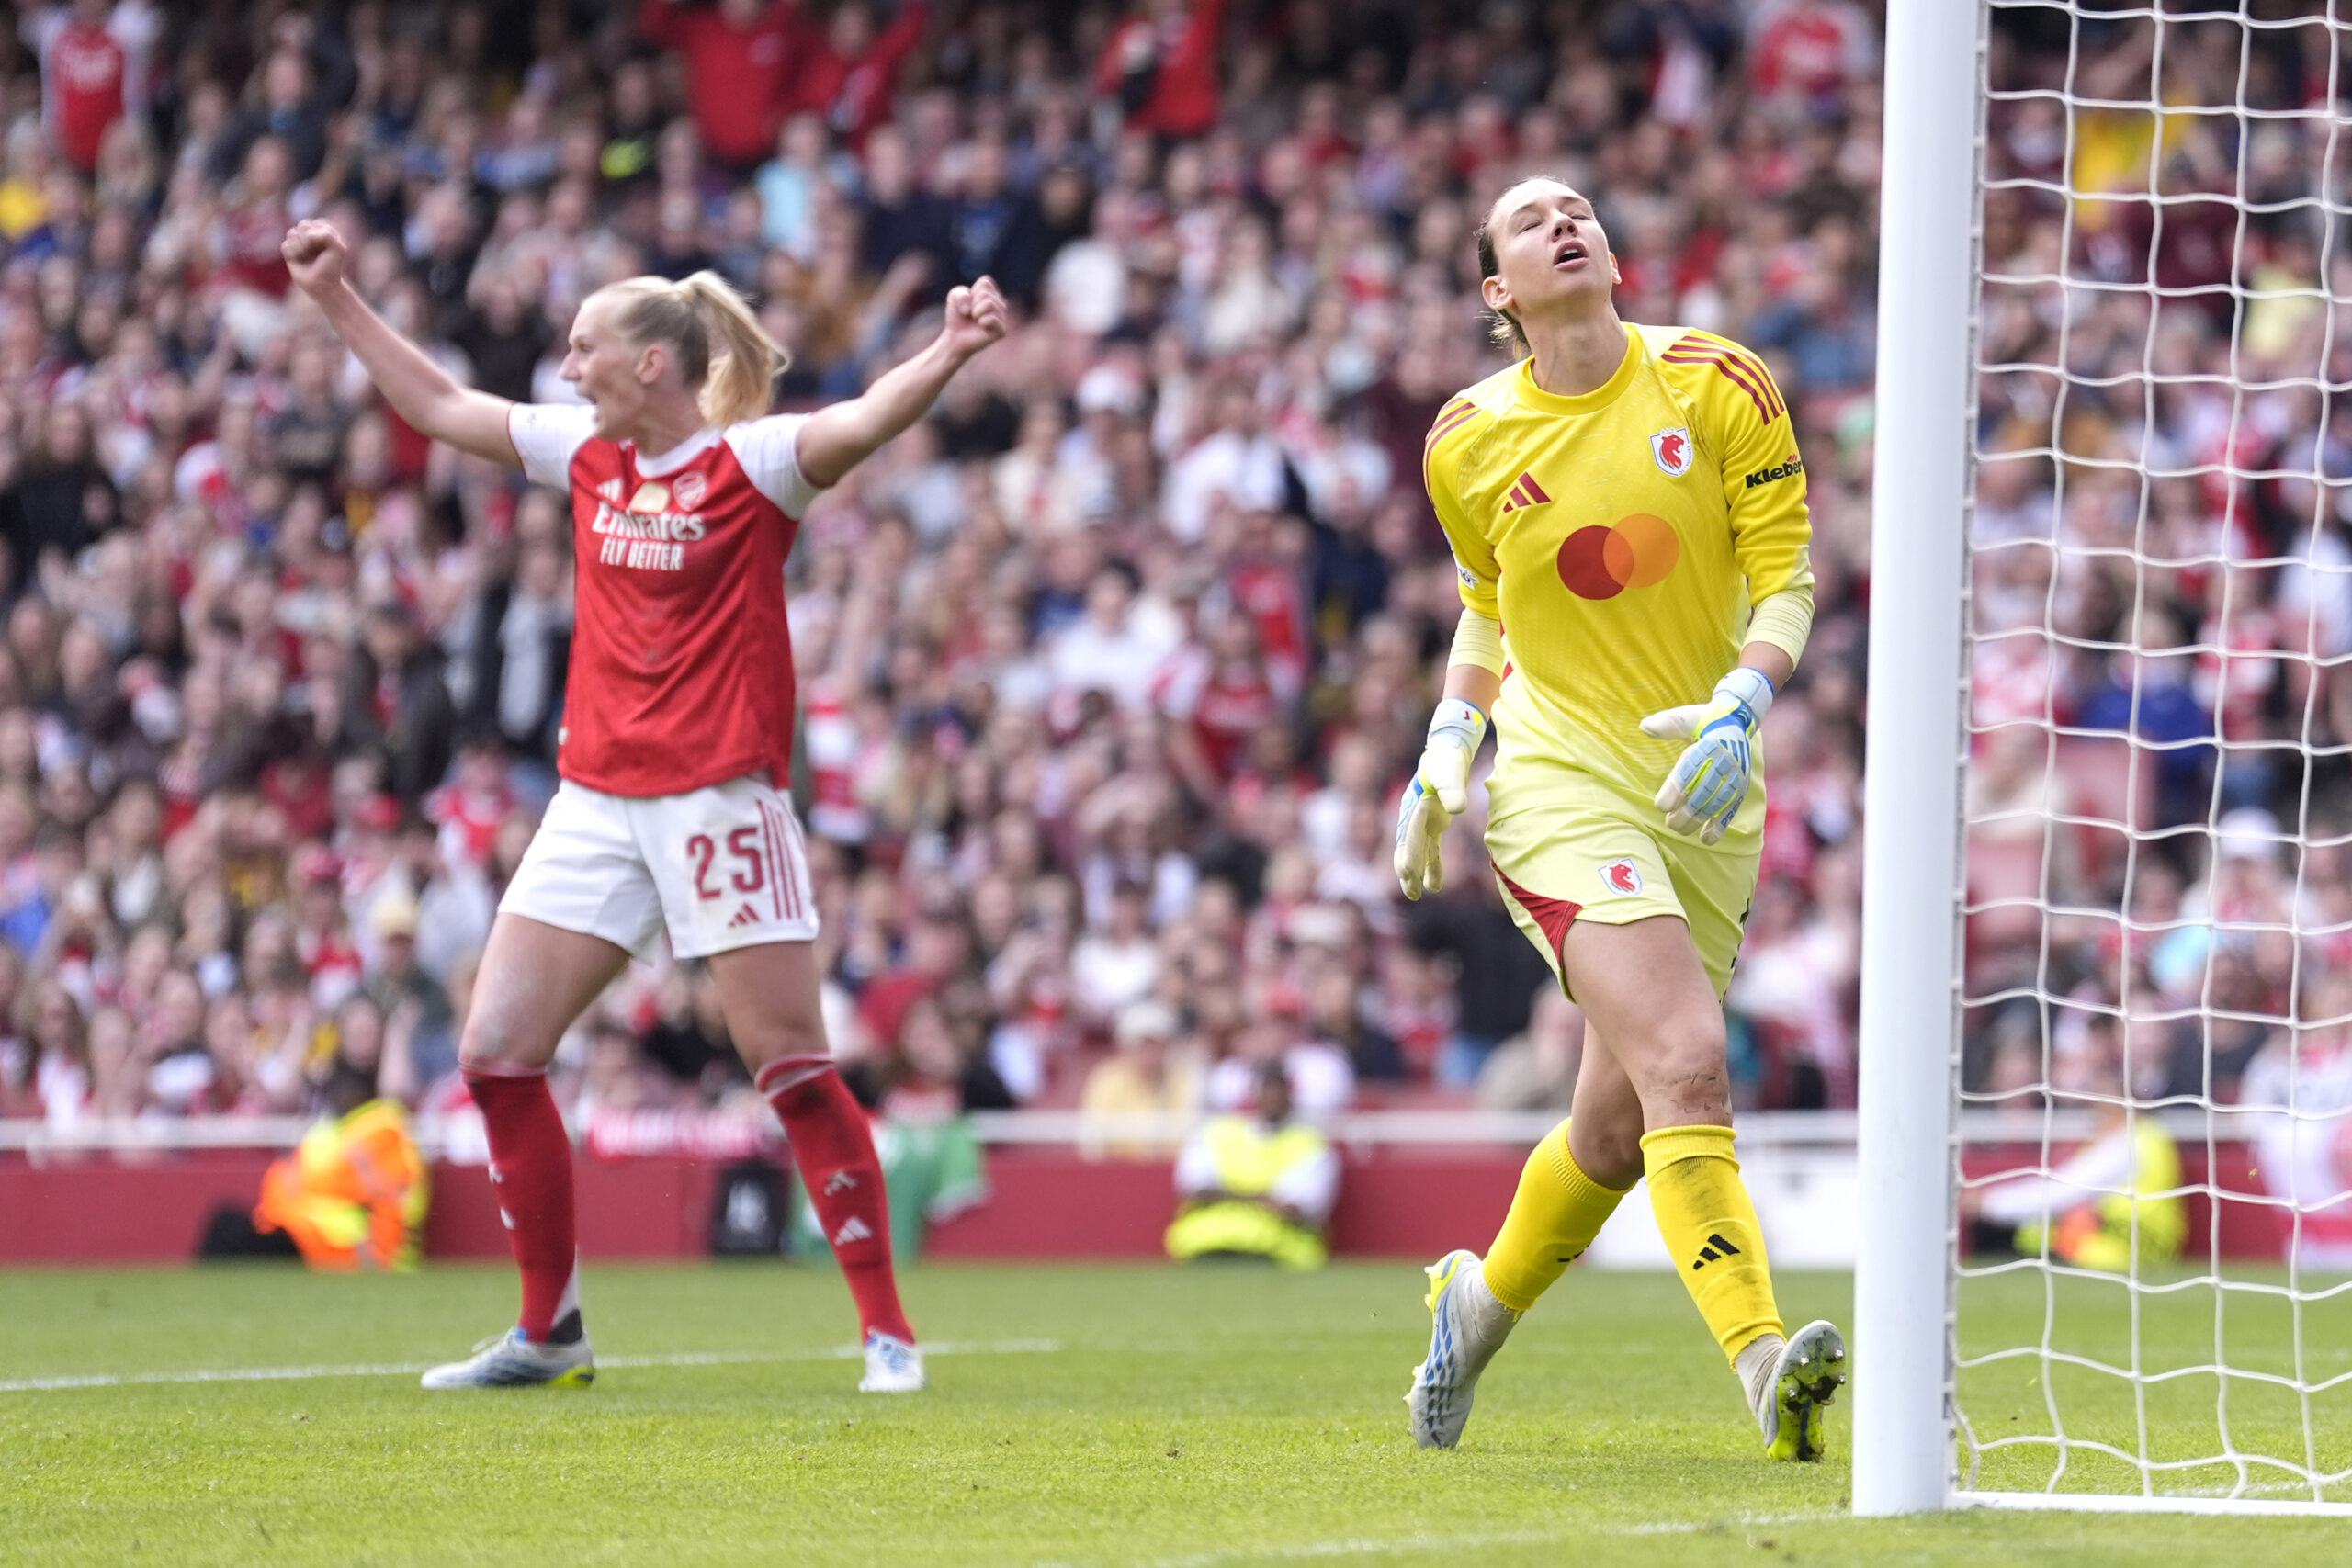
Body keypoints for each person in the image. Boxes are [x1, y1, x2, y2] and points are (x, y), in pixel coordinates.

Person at [279, 217, 1008, 1393]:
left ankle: (886, 1332)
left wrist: (950, 352)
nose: (568, 371)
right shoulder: (581, 454)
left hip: (720, 804)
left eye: (584, 350)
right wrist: (337, 300)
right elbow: (440, 408)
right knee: (497, 1054)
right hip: (595, 801)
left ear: (651, 365)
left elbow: (865, 420)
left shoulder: (752, 464)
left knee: (790, 1067)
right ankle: (550, 1333)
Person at [1395, 178, 1846, 1460]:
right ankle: (1769, 1372)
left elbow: (1787, 573)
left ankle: (1471, 1306)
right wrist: (1447, 745)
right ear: (1501, 290)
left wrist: (1744, 701)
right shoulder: (1465, 438)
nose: (1565, 222)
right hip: (1556, 775)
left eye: (1578, 208)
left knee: (1614, 1124)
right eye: (1531, 221)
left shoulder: (1720, 382)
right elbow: (1487, 602)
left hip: (1705, 777)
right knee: (1694, 1059)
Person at [1165, 1060, 1338, 1270]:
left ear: (1291, 1096)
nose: (1273, 1097)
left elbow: (1293, 1209)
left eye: (1279, 1090)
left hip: (1278, 1254)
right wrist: (1263, 1198)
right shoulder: (1216, 1133)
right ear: (1253, 1094)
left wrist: (1227, 1193)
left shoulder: (1310, 1144)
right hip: (1208, 1247)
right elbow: (1195, 1192)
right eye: (1267, 1089)